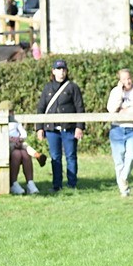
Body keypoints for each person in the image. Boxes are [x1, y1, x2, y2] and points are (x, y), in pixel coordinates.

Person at [35, 58, 85, 192]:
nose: (61, 72)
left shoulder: (72, 87)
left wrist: (79, 127)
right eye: (58, 69)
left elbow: (80, 108)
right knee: (55, 157)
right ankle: (56, 185)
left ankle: (72, 184)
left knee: (71, 156)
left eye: (63, 69)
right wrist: (39, 128)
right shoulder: (48, 88)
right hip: (51, 129)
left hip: (69, 128)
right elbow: (41, 108)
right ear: (53, 71)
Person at [106, 69, 133, 196]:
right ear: (120, 81)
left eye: (129, 78)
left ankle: (123, 178)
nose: (127, 81)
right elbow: (111, 109)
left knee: (131, 156)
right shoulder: (115, 91)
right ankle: (124, 190)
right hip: (117, 129)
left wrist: (127, 110)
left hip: (132, 128)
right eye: (124, 79)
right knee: (119, 161)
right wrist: (120, 92)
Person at [0, 100, 38, 195]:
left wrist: (20, 139)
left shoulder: (15, 122)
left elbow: (23, 133)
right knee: (16, 154)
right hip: (5, 146)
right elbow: (0, 134)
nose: (10, 114)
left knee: (25, 154)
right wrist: (10, 139)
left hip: (18, 143)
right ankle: (13, 183)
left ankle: (30, 183)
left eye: (11, 111)